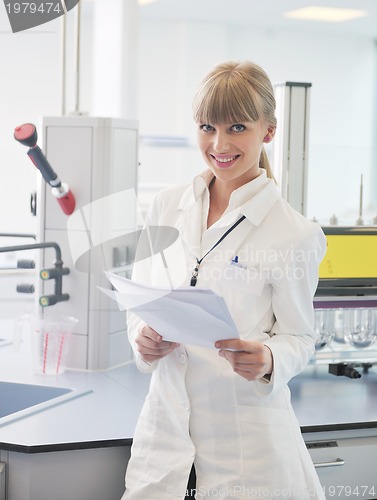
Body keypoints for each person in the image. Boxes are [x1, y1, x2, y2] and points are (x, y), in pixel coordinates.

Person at [121, 61, 327, 500]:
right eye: (206, 127)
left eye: (237, 127)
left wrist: (269, 357)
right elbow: (139, 303)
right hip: (165, 434)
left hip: (249, 447)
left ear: (268, 131)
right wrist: (143, 338)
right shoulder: (164, 207)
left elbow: (301, 337)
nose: (219, 144)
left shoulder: (295, 233)